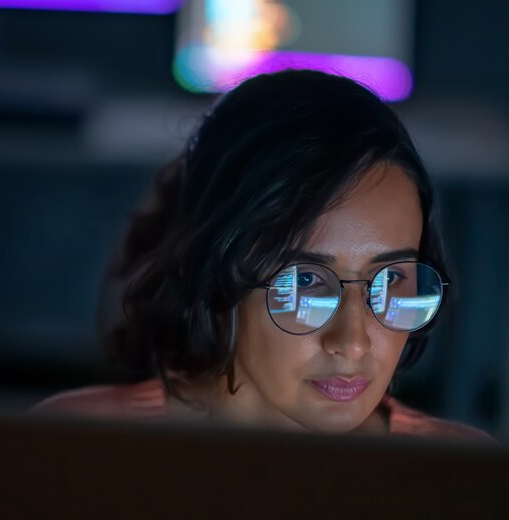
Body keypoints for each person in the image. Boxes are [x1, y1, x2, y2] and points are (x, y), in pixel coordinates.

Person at [35, 70, 493, 441]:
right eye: (308, 281)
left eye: (392, 278)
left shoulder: (458, 476)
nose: (353, 341)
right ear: (217, 271)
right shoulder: (75, 449)